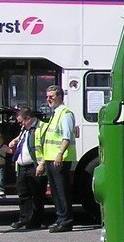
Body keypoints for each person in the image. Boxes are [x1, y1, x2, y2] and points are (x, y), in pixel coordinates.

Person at [36, 85, 75, 232]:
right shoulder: (54, 113)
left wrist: (59, 154)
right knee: (55, 192)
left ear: (60, 96)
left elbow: (67, 137)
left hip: (60, 159)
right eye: (47, 97)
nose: (48, 99)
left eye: (51, 96)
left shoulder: (65, 113)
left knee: (62, 191)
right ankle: (60, 219)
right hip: (51, 159)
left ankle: (66, 221)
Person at [9, 107, 46, 230]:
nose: (20, 124)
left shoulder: (41, 127)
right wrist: (14, 141)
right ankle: (24, 219)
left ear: (28, 118)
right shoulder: (25, 129)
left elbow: (46, 147)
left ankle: (37, 220)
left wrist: (41, 164)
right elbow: (22, 140)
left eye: (21, 121)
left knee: (37, 194)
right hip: (22, 166)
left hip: (34, 166)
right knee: (23, 194)